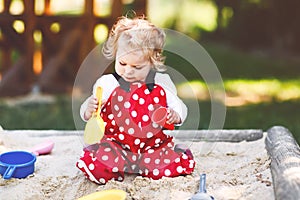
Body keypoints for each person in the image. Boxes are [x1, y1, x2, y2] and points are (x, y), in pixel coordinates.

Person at [76, 15, 195, 184]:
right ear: (116, 55)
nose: (128, 72)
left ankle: (170, 157)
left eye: (137, 67)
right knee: (97, 166)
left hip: (152, 147)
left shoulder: (160, 83)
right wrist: (88, 109)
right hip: (117, 146)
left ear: (152, 62)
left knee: (165, 168)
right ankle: (116, 167)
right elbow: (89, 115)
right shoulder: (108, 83)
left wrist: (176, 115)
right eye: (122, 63)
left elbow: (180, 108)